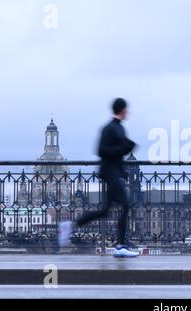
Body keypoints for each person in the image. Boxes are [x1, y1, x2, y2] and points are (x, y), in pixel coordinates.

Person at [58, 97, 139, 258]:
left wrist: (123, 166)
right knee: (125, 205)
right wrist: (124, 148)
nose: (128, 112)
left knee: (104, 211)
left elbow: (116, 153)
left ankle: (70, 225)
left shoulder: (117, 128)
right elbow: (102, 150)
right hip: (109, 173)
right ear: (122, 110)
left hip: (113, 172)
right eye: (126, 109)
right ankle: (120, 245)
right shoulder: (110, 128)